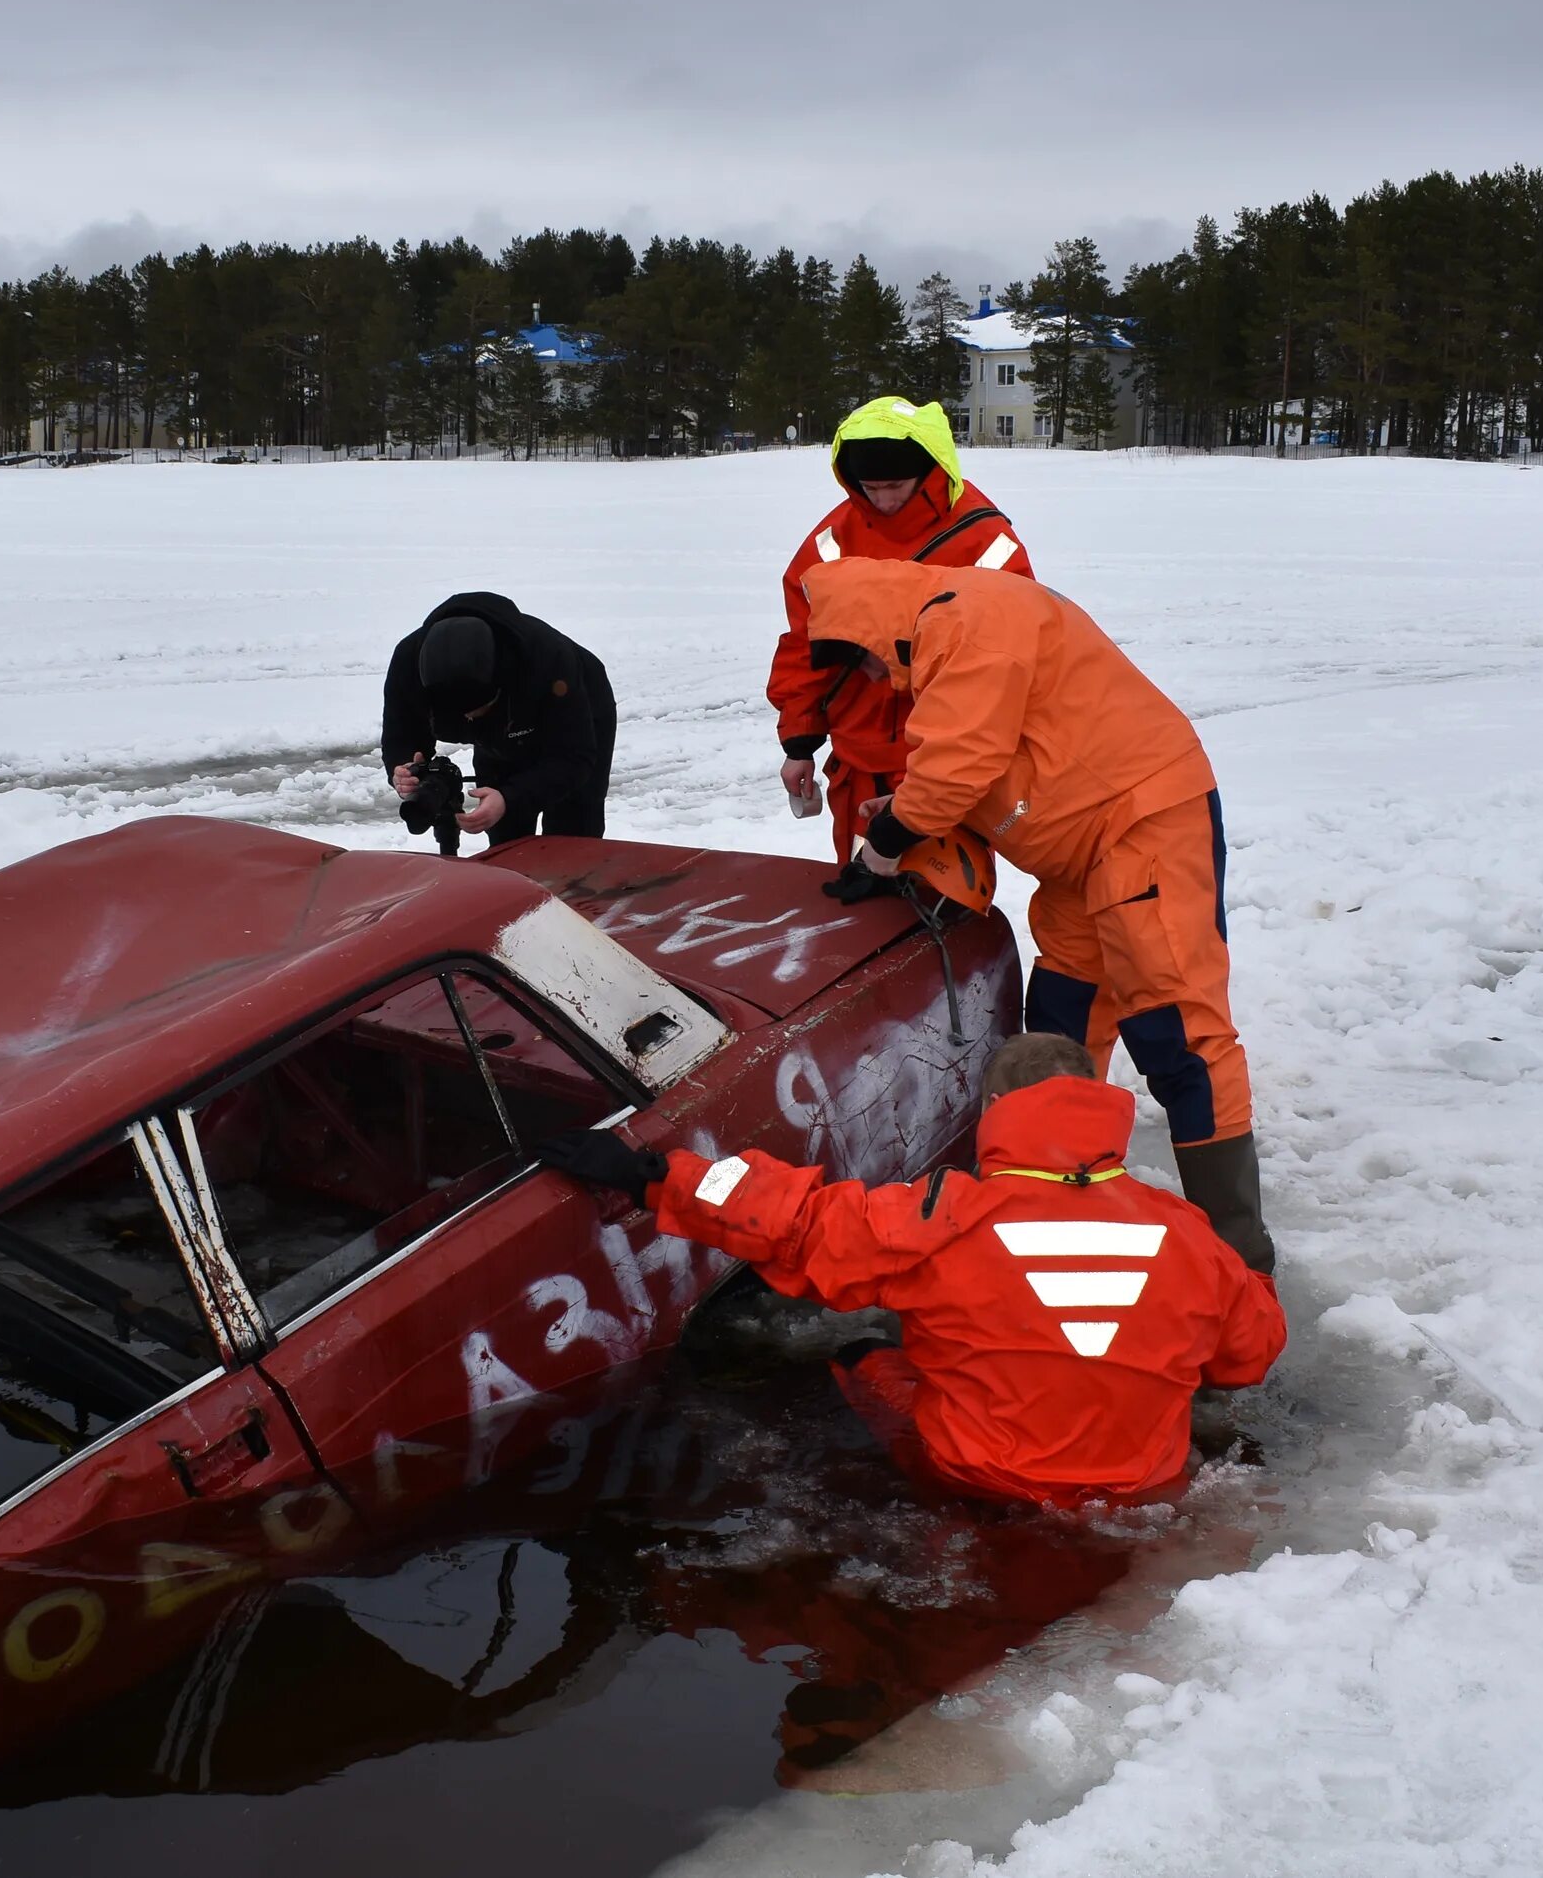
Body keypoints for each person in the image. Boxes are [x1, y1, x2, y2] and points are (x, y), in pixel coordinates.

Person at [537, 1033, 1285, 1506]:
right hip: (1142, 1491)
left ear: (995, 1107)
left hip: (984, 1480)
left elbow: (792, 1220)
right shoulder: (1187, 1237)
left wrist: (649, 1177)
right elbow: (1249, 1354)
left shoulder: (937, 1217)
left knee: (861, 1355)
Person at [799, 553, 1272, 1273]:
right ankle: (1054, 1200)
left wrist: (885, 846)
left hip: (1141, 823)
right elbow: (985, 761)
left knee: (1174, 1029)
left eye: (857, 660)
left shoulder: (966, 619)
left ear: (869, 623)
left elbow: (960, 762)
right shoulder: (950, 629)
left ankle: (1238, 1255)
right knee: (1061, 1018)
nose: (868, 678)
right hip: (1081, 857)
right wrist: (904, 815)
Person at [767, 398, 1031, 861]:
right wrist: (800, 740)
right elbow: (802, 647)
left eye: (896, 485)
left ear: (929, 471)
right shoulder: (833, 541)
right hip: (857, 765)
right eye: (871, 487)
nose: (884, 500)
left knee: (949, 907)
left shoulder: (987, 543)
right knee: (865, 906)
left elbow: (1008, 667)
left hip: (946, 767)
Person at [382, 593, 616, 848]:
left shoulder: (548, 660)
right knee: (506, 835)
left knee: (571, 831)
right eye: (460, 717)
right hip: (501, 735)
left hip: (577, 708)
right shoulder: (408, 665)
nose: (468, 719)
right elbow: (401, 734)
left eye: (477, 712)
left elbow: (573, 758)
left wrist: (509, 797)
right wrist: (404, 769)